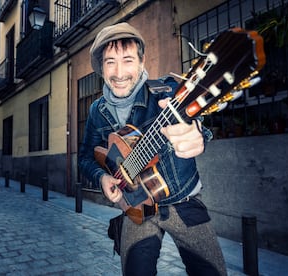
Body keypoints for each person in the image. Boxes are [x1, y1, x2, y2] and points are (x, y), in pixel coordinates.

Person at [78, 22, 227, 275]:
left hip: (184, 202)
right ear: (101, 68)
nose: (119, 72)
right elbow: (85, 157)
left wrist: (197, 135)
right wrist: (103, 177)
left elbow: (195, 125)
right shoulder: (97, 110)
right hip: (136, 208)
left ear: (141, 61)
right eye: (110, 62)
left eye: (127, 60)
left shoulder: (168, 92)